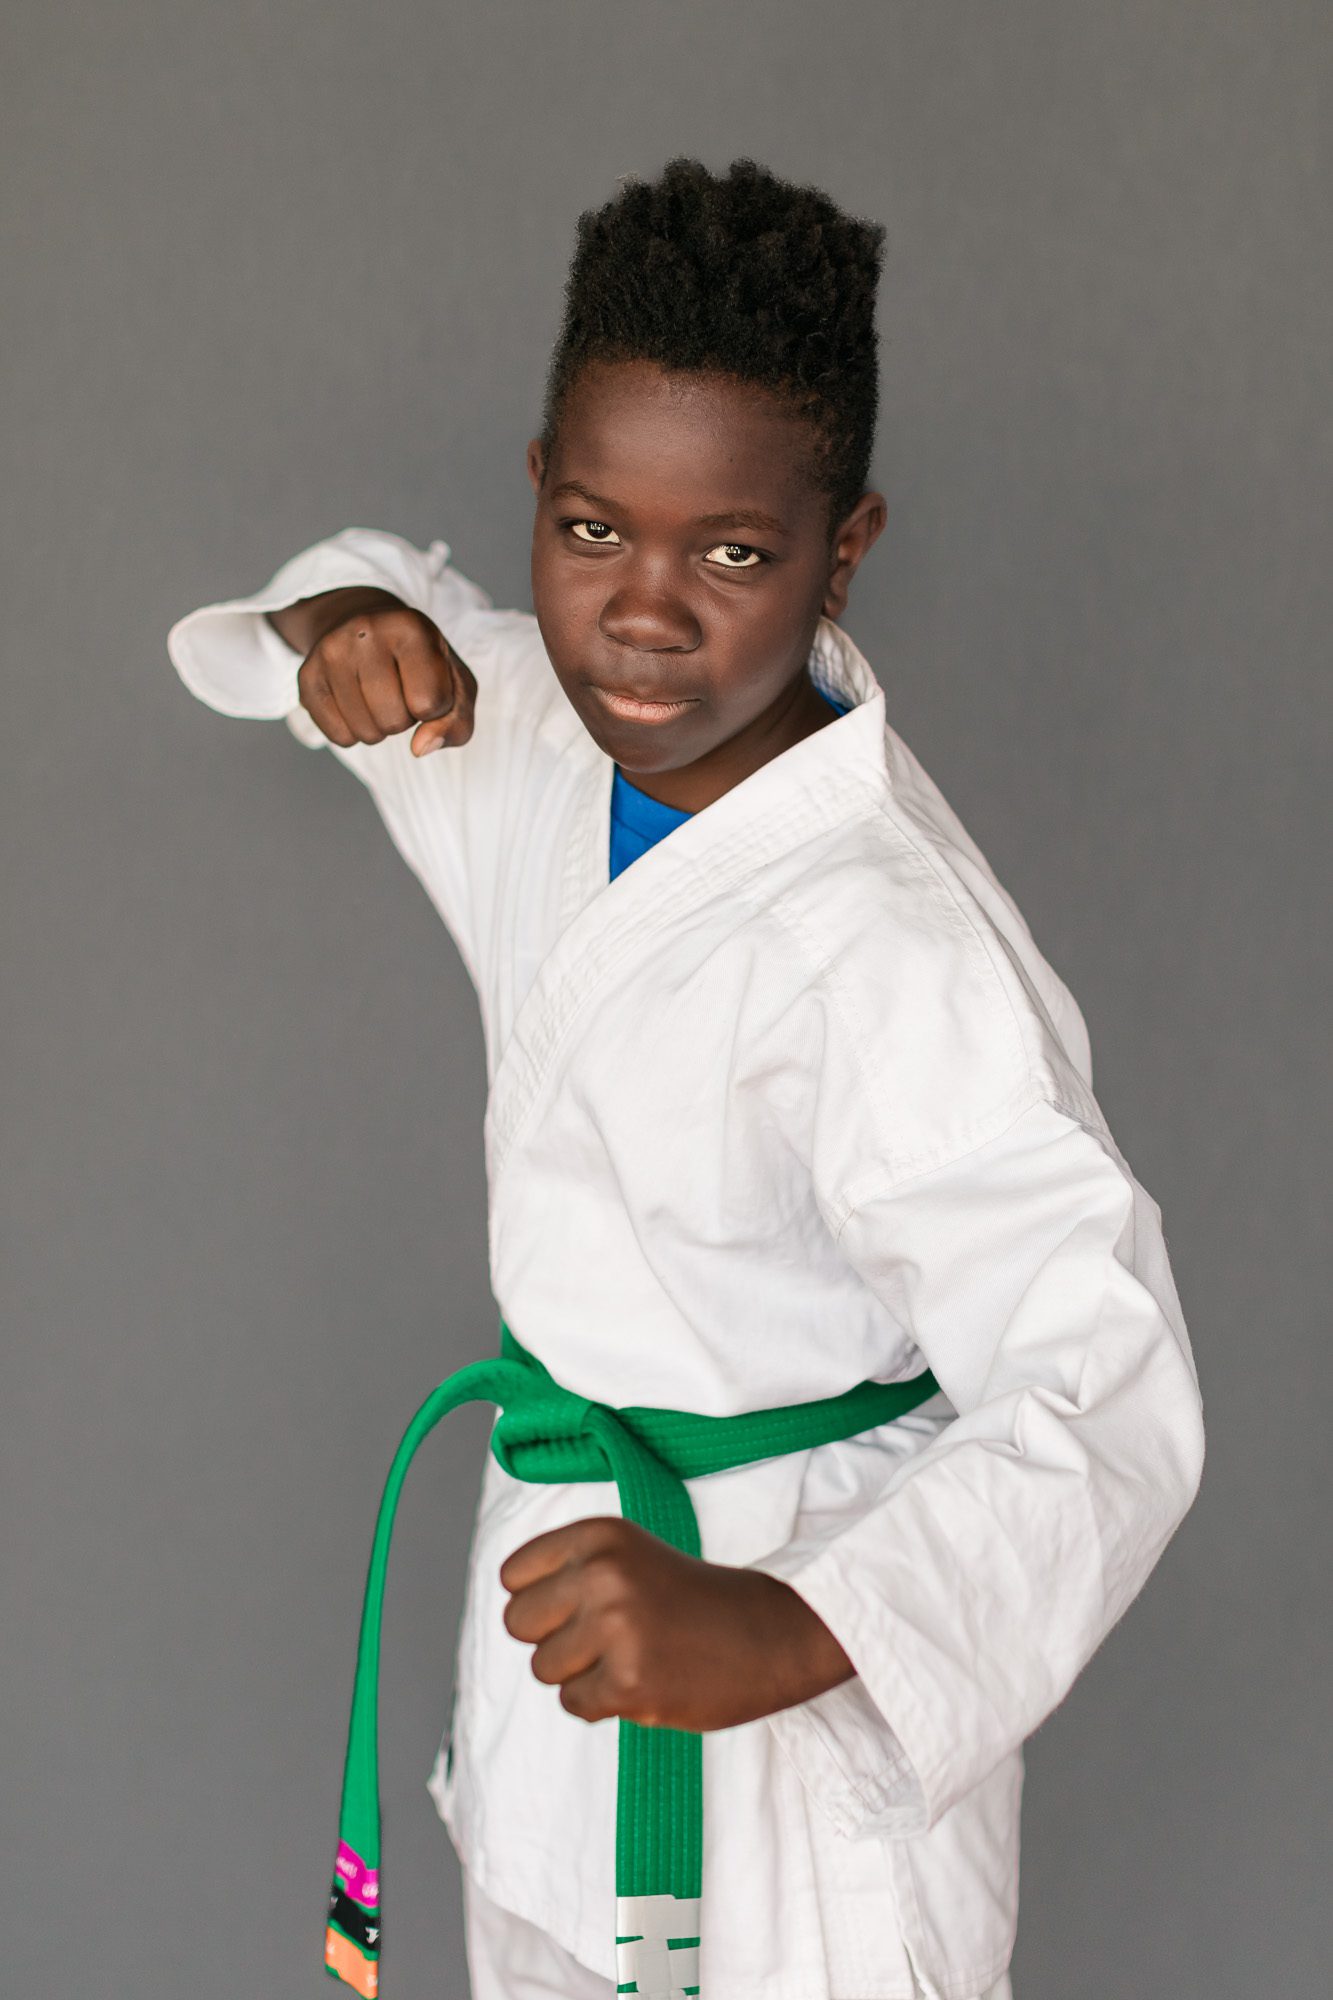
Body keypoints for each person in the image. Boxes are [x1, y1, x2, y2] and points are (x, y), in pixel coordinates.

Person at [166, 157, 1206, 2000]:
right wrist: (340, 634)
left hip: (796, 1735)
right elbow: (361, 602)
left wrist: (788, 1618)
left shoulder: (895, 946)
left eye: (730, 553)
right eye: (590, 532)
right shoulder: (524, 739)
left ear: (841, 546)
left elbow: (1104, 1391)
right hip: (560, 1630)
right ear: (540, 505)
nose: (643, 615)